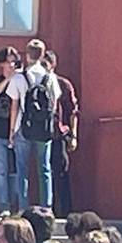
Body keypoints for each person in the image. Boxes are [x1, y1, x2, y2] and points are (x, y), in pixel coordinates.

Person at [7, 39, 60, 209]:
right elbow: (54, 103)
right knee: (44, 169)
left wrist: (11, 132)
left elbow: (14, 106)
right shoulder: (50, 77)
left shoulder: (19, 77)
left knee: (22, 170)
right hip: (43, 129)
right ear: (43, 55)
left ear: (27, 54)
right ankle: (47, 207)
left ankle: (23, 207)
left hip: (24, 127)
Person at [0, 46, 25, 213]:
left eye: (13, 62)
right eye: (7, 62)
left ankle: (16, 204)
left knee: (15, 171)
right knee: (0, 170)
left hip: (17, 131)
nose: (10, 65)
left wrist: (16, 78)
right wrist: (7, 79)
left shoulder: (21, 80)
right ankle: (4, 205)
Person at [43, 51, 78, 219]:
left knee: (61, 173)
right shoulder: (36, 83)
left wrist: (73, 135)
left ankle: (65, 211)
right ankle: (48, 209)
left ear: (52, 65)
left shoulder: (63, 85)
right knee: (44, 173)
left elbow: (73, 112)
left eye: (46, 64)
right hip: (40, 136)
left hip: (59, 135)